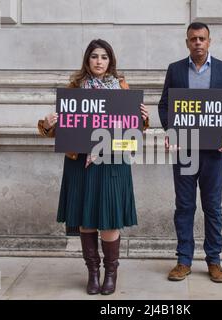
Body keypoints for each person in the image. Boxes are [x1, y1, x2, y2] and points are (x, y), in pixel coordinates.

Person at [38, 39, 149, 295]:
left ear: (110, 61)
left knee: (109, 219)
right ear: (87, 60)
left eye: (104, 57)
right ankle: (93, 272)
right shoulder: (75, 88)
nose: (99, 61)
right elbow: (59, 132)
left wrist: (143, 119)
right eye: (94, 56)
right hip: (81, 163)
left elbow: (133, 130)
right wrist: (48, 123)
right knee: (86, 220)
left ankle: (111, 273)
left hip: (112, 161)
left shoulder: (121, 87)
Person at [158, 22, 222, 283]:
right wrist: (171, 131)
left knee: (213, 207)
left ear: (209, 41)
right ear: (187, 42)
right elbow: (164, 105)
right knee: (184, 206)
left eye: (202, 38)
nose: (198, 43)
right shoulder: (176, 69)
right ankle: (183, 260)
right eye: (193, 39)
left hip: (214, 154)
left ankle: (214, 261)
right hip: (185, 151)